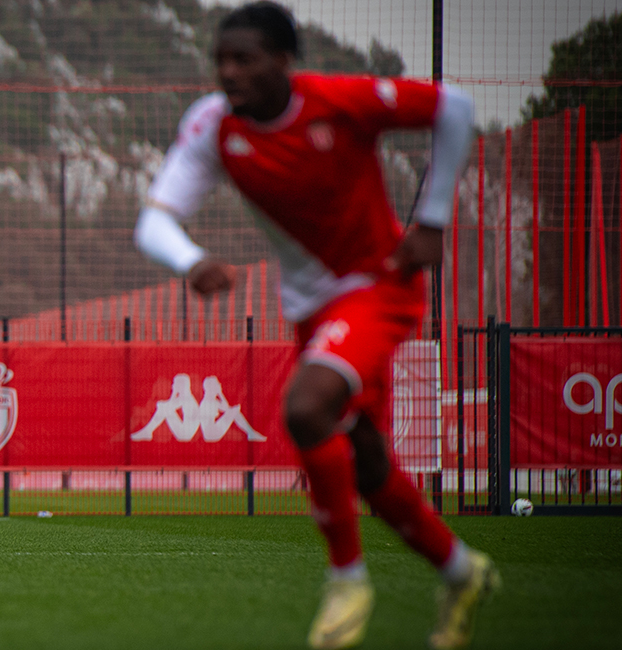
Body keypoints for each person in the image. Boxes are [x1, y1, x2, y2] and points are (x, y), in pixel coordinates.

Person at [133, 3, 498, 649]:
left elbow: (455, 108)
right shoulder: (213, 125)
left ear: (284, 61)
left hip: (378, 285)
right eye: (221, 60)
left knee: (305, 409)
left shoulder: (339, 101)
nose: (228, 72)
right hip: (311, 308)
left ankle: (346, 581)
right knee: (368, 465)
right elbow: (154, 221)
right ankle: (462, 572)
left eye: (244, 59)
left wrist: (432, 220)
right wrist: (191, 261)